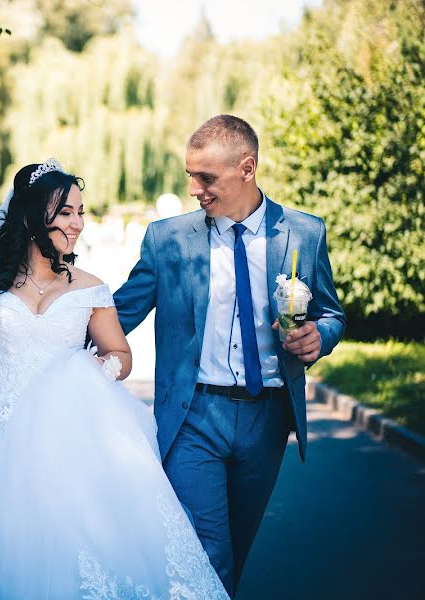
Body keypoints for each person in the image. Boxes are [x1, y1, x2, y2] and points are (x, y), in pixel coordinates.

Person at [0, 160, 228, 599]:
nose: (77, 224)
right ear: (35, 217)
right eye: (66, 213)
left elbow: (120, 355)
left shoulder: (90, 288)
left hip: (73, 437)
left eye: (81, 212)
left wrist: (89, 370)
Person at [114, 115, 345, 596]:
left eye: (207, 177)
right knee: (206, 553)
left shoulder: (304, 233)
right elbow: (117, 315)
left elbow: (330, 312)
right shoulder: (167, 239)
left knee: (234, 553)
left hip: (267, 420)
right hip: (193, 417)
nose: (195, 188)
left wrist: (320, 337)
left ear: (248, 167)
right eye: (190, 176)